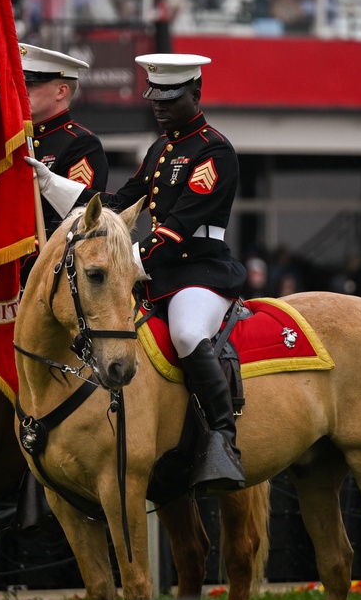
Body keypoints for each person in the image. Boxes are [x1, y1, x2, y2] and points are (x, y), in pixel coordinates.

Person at [28, 53, 247, 495]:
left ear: (196, 94)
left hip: (199, 271)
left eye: (171, 97)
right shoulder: (160, 149)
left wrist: (123, 263)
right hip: (154, 273)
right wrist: (51, 183)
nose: (160, 106)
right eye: (155, 98)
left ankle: (223, 436)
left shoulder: (214, 150)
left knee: (186, 334)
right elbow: (115, 204)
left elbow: (178, 229)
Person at [19, 43, 109, 281]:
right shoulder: (13, 139)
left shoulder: (80, 144)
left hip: (49, 270)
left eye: (32, 85)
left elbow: (77, 217)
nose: (21, 90)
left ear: (61, 91)